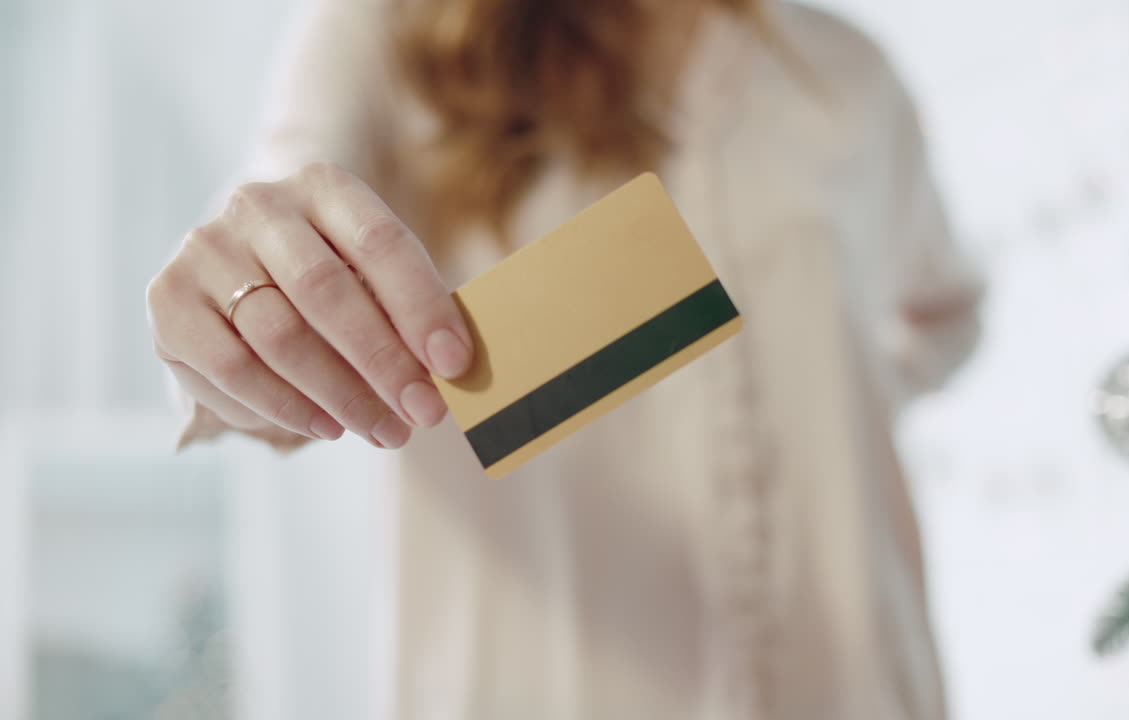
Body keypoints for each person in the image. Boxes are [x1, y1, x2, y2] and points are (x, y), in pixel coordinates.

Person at [145, 0, 982, 716]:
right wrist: (237, 307)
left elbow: (943, 313)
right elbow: (278, 243)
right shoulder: (385, 36)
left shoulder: (847, 75)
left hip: (854, 688)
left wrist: (822, 393)